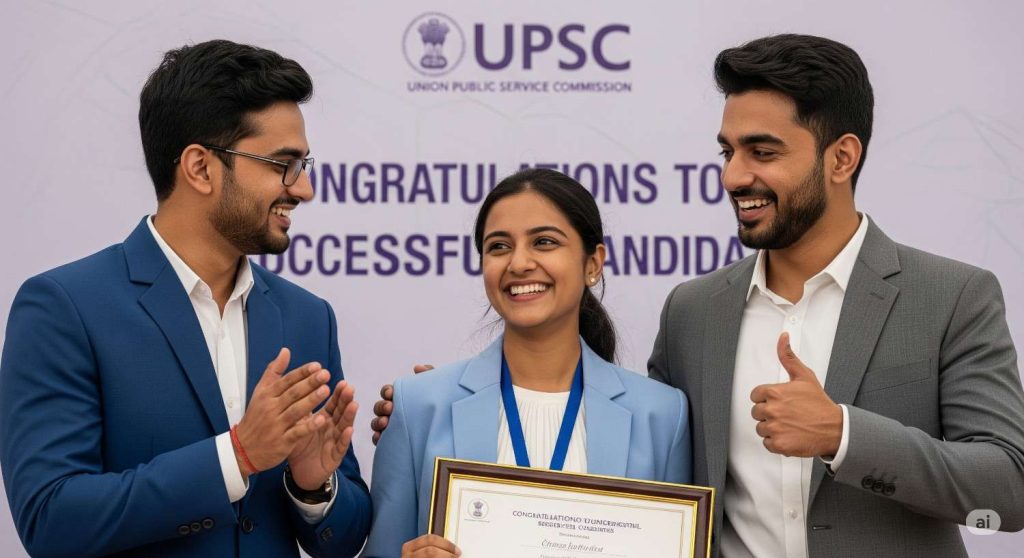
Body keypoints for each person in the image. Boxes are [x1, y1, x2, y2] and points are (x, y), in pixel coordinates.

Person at [374, 35, 1024, 557]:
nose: (734, 175)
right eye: (728, 150)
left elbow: (1009, 490)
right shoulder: (695, 311)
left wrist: (842, 434)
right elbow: (636, 459)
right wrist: (462, 404)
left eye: (763, 151)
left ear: (841, 157)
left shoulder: (951, 296)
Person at [0, 40, 371, 557]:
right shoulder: (65, 308)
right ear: (200, 168)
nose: (303, 188)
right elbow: (51, 519)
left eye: (304, 163)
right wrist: (236, 455)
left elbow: (345, 539)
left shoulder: (308, 317)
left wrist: (312, 487)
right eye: (282, 164)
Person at [362, 168, 692, 557]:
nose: (518, 263)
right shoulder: (417, 405)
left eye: (544, 242)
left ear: (593, 263)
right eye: (499, 246)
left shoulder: (662, 415)